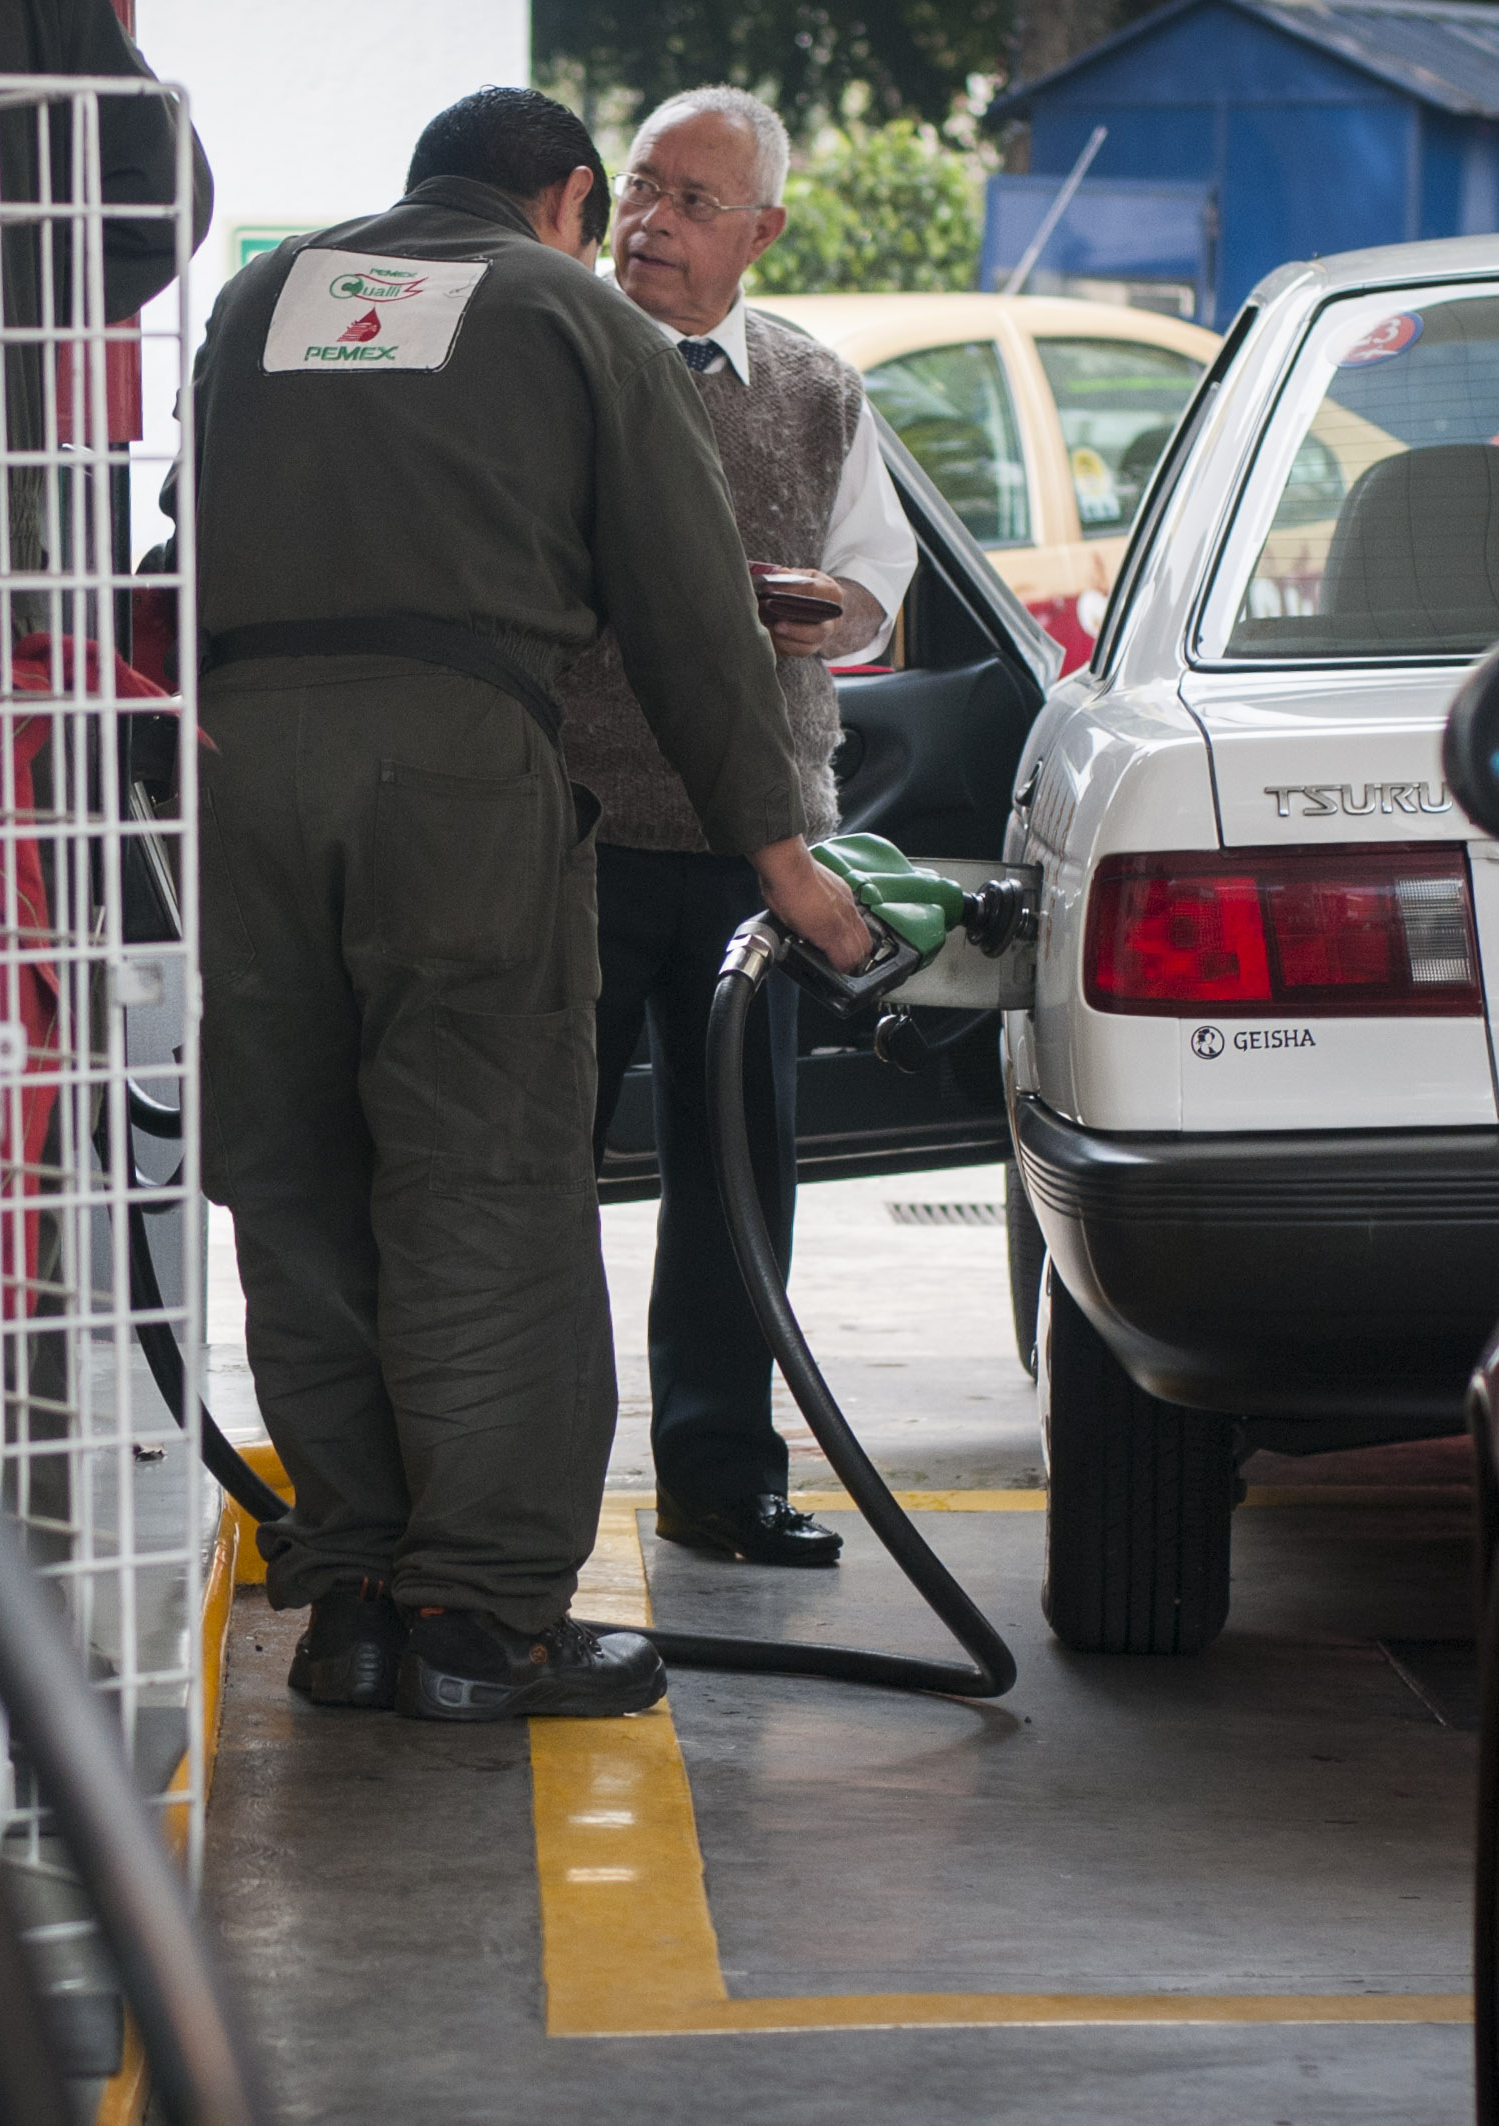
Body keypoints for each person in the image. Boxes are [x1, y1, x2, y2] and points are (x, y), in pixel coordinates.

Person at [185, 86, 871, 1723]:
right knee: (481, 1184)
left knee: (300, 1177)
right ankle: (482, 1622)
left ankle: (349, 1589)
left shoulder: (262, 296)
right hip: (456, 774)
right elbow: (694, 618)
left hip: (240, 777)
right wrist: (778, 854)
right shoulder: (575, 318)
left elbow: (182, 531)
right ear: (566, 196)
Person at [564, 86, 918, 1569]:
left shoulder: (818, 385)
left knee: (734, 1178)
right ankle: (524, 1491)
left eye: (693, 200)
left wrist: (833, 610)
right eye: (640, 187)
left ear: (762, 230)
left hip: (756, 843)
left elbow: (875, 589)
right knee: (530, 1176)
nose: (651, 221)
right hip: (573, 830)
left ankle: (719, 1480)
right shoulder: (557, 356)